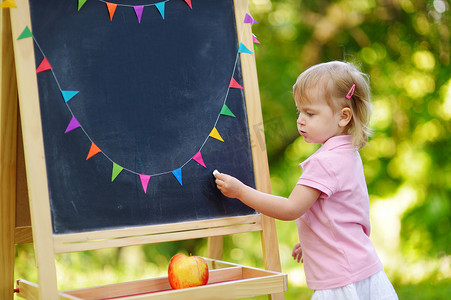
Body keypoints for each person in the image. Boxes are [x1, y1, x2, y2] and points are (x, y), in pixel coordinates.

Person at [213, 61, 398, 299]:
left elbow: (290, 208)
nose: (300, 120)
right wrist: (316, 240)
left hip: (342, 282)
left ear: (343, 117)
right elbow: (341, 216)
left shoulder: (324, 162)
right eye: (299, 111)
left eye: (310, 113)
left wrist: (241, 192)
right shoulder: (348, 154)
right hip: (362, 270)